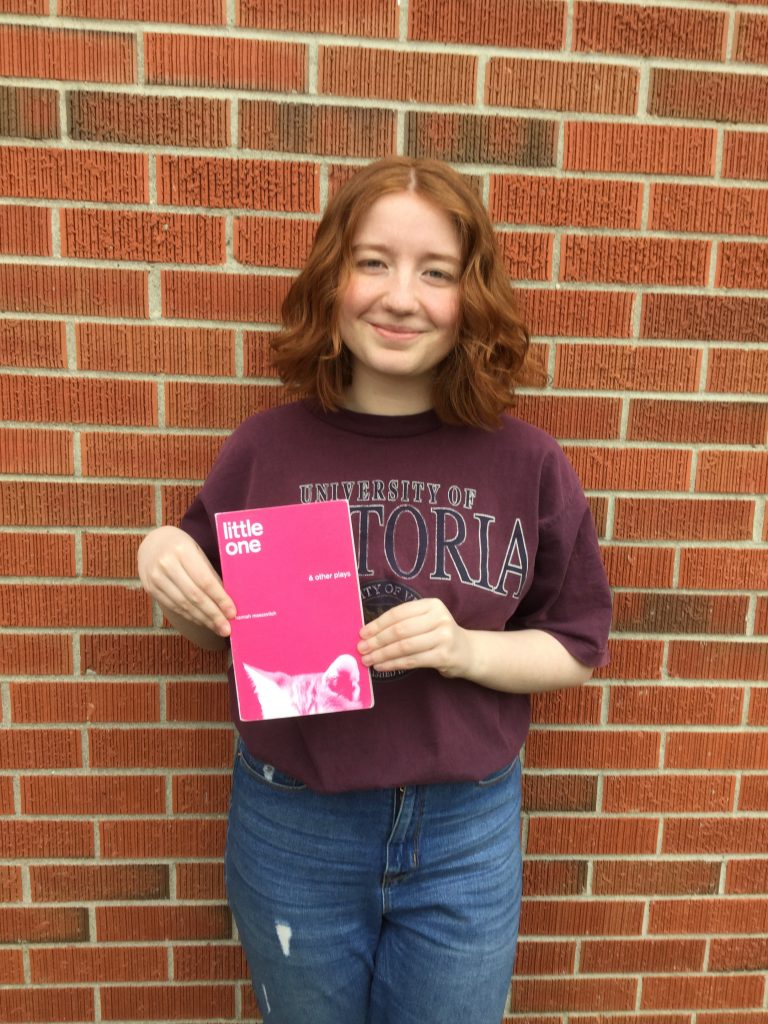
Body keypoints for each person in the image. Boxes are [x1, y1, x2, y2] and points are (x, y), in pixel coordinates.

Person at [137, 156, 612, 1024]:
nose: (401, 296)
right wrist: (164, 559)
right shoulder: (266, 449)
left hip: (465, 830)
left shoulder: (526, 462)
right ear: (332, 278)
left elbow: (575, 647)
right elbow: (217, 630)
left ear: (472, 298)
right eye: (373, 262)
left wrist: (466, 650)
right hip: (296, 824)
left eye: (436, 272)